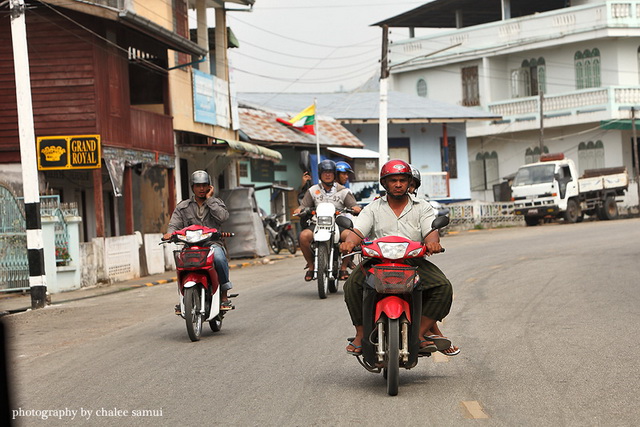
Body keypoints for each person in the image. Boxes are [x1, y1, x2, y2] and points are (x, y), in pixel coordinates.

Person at [340, 159, 459, 356]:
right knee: (351, 286)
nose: (398, 184)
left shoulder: (423, 207)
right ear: (384, 183)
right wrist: (349, 242)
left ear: (409, 182)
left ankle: (420, 332)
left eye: (402, 180)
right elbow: (358, 230)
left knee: (443, 287)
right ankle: (361, 333)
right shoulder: (373, 208)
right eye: (393, 180)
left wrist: (432, 243)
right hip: (377, 261)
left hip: (412, 261)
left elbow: (431, 231)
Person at [164, 170, 234, 312]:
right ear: (192, 187)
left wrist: (210, 199)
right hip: (190, 246)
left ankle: (224, 293)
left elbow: (223, 217)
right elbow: (174, 224)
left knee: (220, 258)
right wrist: (169, 234)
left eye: (204, 185)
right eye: (198, 185)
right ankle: (184, 297)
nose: (201, 188)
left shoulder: (216, 203)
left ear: (209, 186)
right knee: (180, 263)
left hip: (212, 244)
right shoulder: (183, 207)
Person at [293, 159, 362, 282]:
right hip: (317, 224)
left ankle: (344, 267)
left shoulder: (344, 191)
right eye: (324, 172)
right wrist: (299, 210)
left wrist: (356, 209)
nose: (328, 174)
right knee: (303, 236)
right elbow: (303, 206)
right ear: (320, 174)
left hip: (337, 224)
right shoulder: (313, 190)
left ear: (334, 174)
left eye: (330, 172)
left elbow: (353, 205)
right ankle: (311, 265)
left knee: (352, 236)